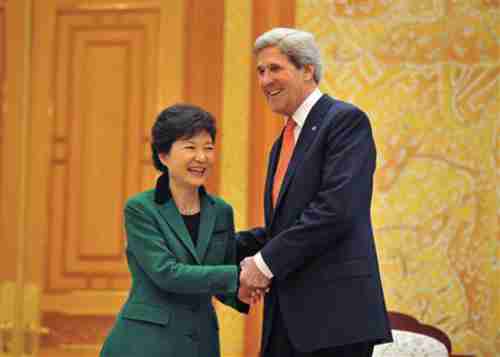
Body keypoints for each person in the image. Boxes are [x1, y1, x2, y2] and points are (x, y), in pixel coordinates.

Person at [237, 27, 393, 357]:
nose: (265, 81)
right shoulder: (282, 144)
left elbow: (336, 211)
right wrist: (215, 244)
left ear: (308, 69)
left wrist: (263, 264)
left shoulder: (344, 121)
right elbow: (287, 227)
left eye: (275, 69)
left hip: (335, 321)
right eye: (260, 72)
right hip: (286, 318)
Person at [100, 104, 250, 357]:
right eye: (190, 147)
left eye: (208, 147)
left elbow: (220, 279)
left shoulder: (221, 211)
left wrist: (256, 284)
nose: (201, 157)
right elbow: (166, 273)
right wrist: (240, 275)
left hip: (201, 344)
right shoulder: (141, 209)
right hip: (144, 344)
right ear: (164, 155)